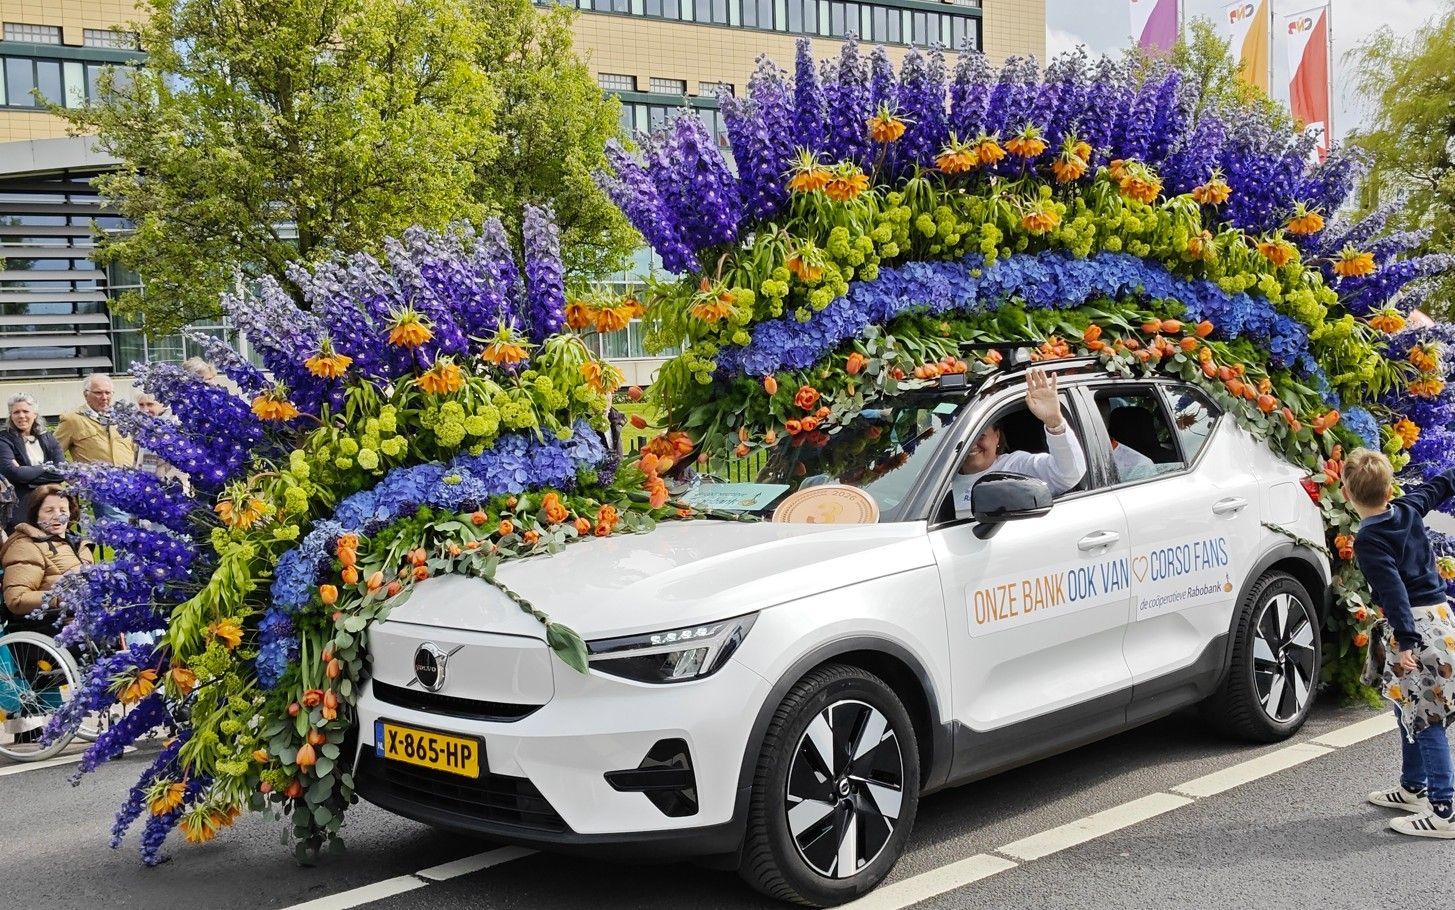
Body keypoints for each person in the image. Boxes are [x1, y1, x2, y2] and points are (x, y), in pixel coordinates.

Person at [1343, 449, 1455, 838]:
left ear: (1346, 492)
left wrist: (1405, 642)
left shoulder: (1369, 539)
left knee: (1427, 719)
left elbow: (1393, 593)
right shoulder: (1408, 508)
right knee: (1406, 707)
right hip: (1441, 619)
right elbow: (1439, 485)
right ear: (1390, 488)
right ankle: (1412, 787)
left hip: (1417, 631)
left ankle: (1444, 812)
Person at [952, 368, 1087, 513]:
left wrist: (1054, 422)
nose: (972, 446)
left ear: (997, 436)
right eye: (966, 439)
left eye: (980, 436)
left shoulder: (1017, 466)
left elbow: (1068, 474)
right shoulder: (940, 476)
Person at [1, 484, 93, 635]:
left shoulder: (80, 544)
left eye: (63, 510)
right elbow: (16, 599)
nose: (57, 516)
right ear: (36, 514)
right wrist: (57, 598)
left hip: (88, 614)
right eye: (49, 510)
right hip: (51, 624)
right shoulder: (25, 546)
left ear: (71, 514)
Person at [0, 393, 64, 530]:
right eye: (16, 412)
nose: (21, 416)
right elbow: (14, 473)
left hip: (49, 499)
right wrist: (46, 467)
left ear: (34, 414)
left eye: (25, 411)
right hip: (20, 502)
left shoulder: (48, 438)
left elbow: (61, 472)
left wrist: (26, 472)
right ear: (11, 416)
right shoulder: (4, 439)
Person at [54, 373, 136, 468]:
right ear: (86, 394)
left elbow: (137, 452)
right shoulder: (72, 419)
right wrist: (71, 474)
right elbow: (53, 454)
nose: (104, 397)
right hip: (94, 481)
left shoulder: (122, 418)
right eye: (98, 393)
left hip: (128, 480)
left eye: (107, 393)